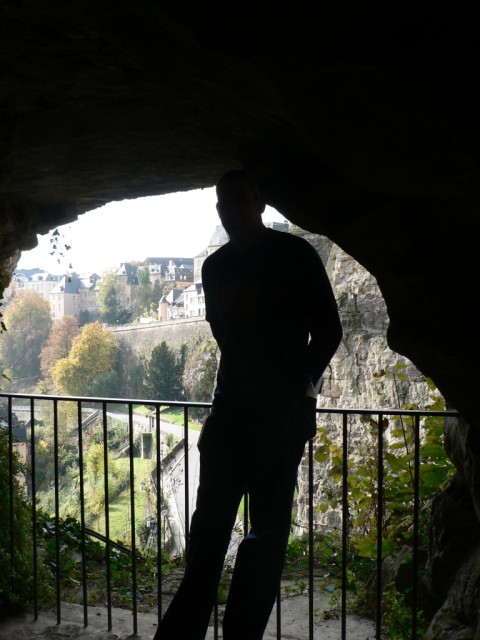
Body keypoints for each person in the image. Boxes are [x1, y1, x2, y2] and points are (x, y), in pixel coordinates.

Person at [154, 169, 343, 639]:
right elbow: (324, 332)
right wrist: (299, 386)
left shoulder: (231, 266)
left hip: (256, 410)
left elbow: (235, 337)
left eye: (238, 200)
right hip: (261, 412)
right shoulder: (256, 262)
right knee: (247, 533)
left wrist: (295, 392)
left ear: (258, 202)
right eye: (225, 203)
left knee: (226, 531)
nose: (231, 210)